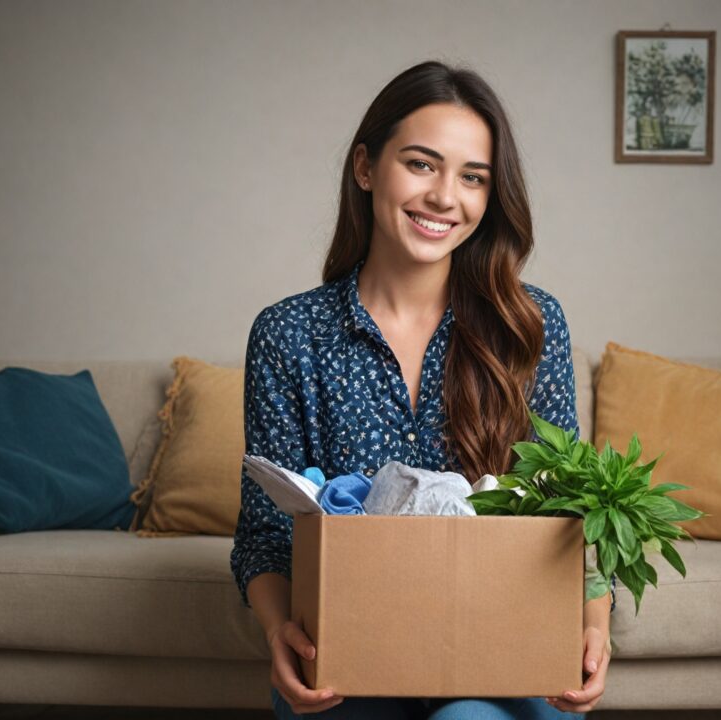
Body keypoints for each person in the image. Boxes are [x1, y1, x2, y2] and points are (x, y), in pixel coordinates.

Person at [230, 59, 615, 719]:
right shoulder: (287, 334)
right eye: (421, 164)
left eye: (473, 178)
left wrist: (593, 626)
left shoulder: (530, 325)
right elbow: (266, 533)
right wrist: (277, 632)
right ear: (365, 168)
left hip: (501, 653)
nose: (445, 197)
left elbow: (573, 508)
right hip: (351, 658)